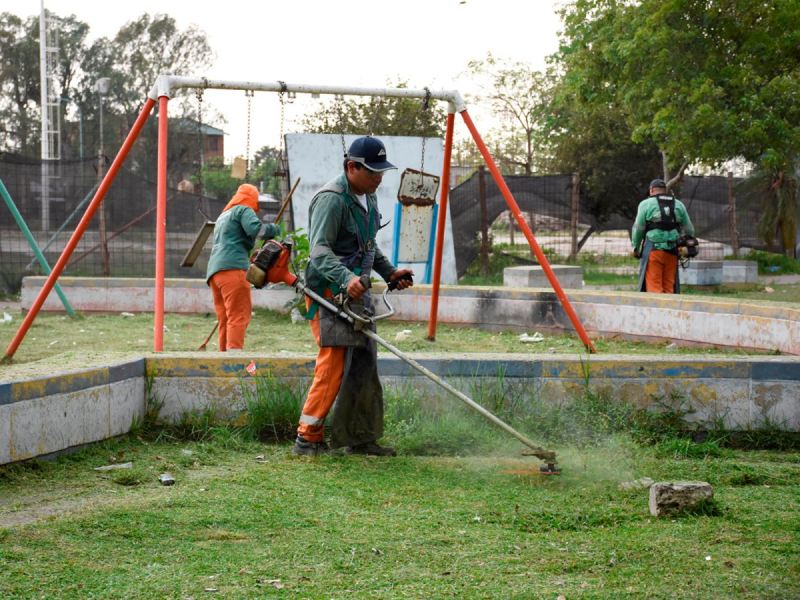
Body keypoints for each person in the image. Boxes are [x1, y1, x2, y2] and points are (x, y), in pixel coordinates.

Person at [293, 136, 414, 457]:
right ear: (351, 167)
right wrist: (347, 279)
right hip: (329, 292)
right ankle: (308, 437)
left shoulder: (367, 198)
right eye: (373, 172)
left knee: (363, 363)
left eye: (381, 172)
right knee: (333, 364)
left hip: (356, 291)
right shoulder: (331, 200)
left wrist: (389, 273)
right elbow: (319, 252)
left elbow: (368, 247)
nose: (379, 178)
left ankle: (360, 438)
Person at [206, 183, 280, 352]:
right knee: (239, 315)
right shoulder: (243, 210)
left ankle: (223, 359)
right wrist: (273, 229)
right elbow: (256, 229)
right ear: (252, 199)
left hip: (215, 273)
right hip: (233, 269)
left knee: (225, 318)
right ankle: (234, 359)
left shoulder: (224, 215)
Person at [631, 178, 695, 294]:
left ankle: (657, 311)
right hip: (673, 251)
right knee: (669, 287)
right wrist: (687, 245)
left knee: (655, 288)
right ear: (665, 191)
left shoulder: (645, 204)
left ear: (651, 191)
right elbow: (689, 229)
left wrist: (635, 248)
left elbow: (638, 229)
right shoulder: (678, 204)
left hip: (653, 251)